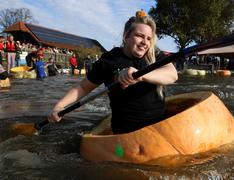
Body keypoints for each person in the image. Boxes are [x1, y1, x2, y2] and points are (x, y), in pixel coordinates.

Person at [48, 10, 178, 134]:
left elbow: (172, 75)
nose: (145, 43)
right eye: (139, 36)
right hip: (126, 131)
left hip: (159, 123)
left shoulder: (154, 54)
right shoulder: (109, 60)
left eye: (149, 38)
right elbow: (83, 87)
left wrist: (141, 76)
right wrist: (60, 106)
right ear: (126, 36)